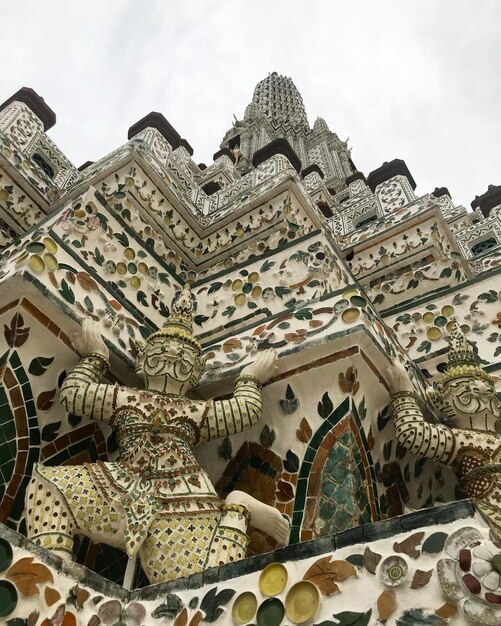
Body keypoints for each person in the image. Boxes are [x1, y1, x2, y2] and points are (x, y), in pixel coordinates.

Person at [25, 285, 289, 583]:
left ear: (196, 372)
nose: (172, 356)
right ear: (141, 361)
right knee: (48, 485)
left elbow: (245, 411)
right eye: (161, 352)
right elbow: (73, 394)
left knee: (199, 585)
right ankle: (51, 572)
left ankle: (238, 510)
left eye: (182, 357)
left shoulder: (196, 411)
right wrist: (96, 357)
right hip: (121, 485)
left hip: (181, 497)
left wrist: (250, 377)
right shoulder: (123, 398)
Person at [385, 324, 501, 537]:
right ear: (444, 403)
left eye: (485, 390)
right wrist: (403, 392)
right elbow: (412, 433)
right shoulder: (460, 439)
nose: (481, 394)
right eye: (467, 390)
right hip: (492, 520)